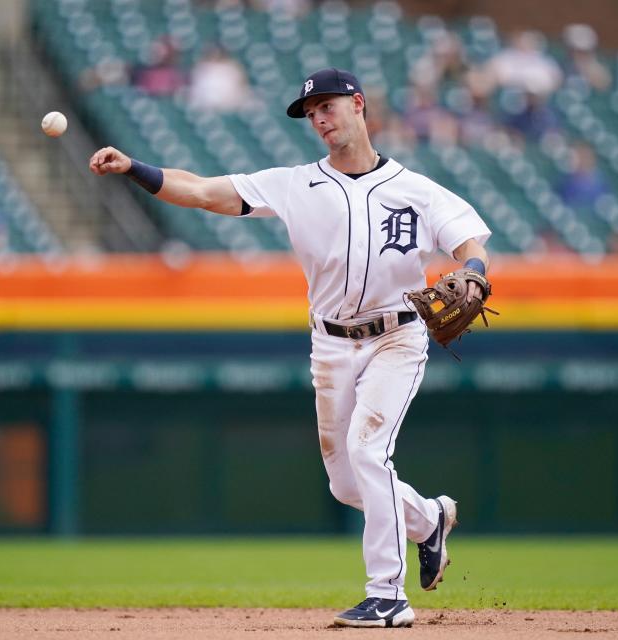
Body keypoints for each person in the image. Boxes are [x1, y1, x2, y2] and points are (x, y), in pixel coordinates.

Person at [89, 68, 491, 628]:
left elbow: (470, 242)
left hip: (396, 336)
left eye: (327, 107)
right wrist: (134, 167)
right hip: (330, 344)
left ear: (358, 104)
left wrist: (472, 271)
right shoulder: (294, 184)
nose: (320, 120)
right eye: (312, 114)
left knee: (369, 452)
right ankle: (429, 520)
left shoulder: (416, 189)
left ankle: (387, 596)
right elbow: (204, 192)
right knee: (347, 482)